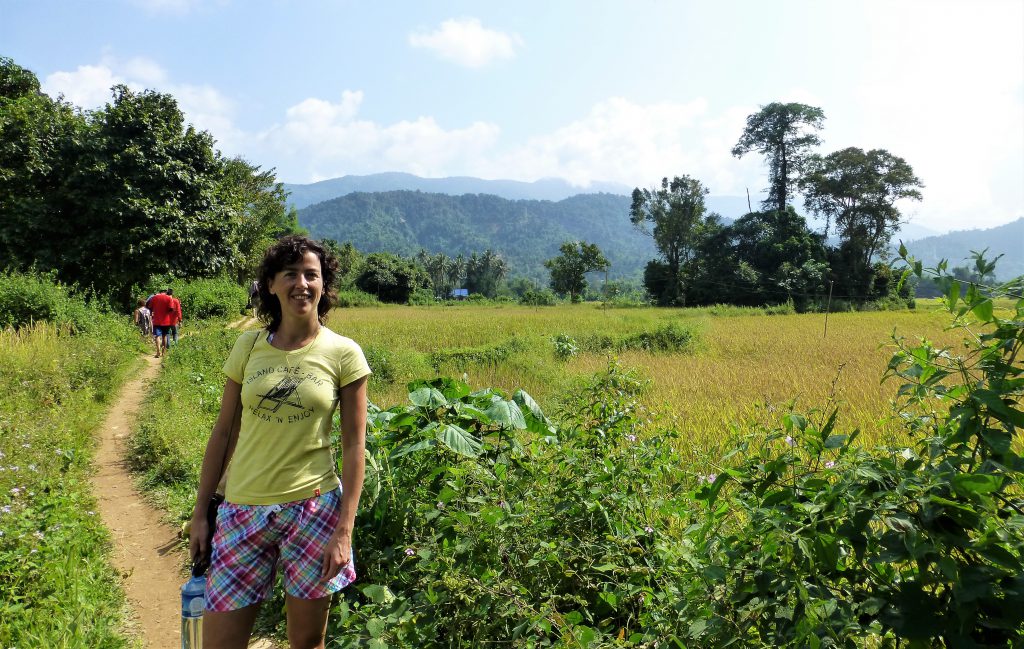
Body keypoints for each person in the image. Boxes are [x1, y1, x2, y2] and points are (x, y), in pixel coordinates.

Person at [189, 235, 370, 649]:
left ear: (324, 285)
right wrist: (201, 511)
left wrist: (345, 529)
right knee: (219, 642)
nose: (301, 284)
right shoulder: (248, 347)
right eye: (290, 274)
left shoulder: (343, 353)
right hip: (242, 510)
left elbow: (354, 446)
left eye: (312, 275)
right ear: (271, 284)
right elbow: (223, 432)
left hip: (313, 510)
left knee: (307, 641)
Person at [148, 288, 175, 358]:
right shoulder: (169, 298)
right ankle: (163, 353)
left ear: (159, 291)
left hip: (157, 320)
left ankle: (158, 352)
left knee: (157, 336)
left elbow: (150, 307)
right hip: (166, 321)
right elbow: (171, 309)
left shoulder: (154, 297)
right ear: (166, 292)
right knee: (164, 336)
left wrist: (154, 312)